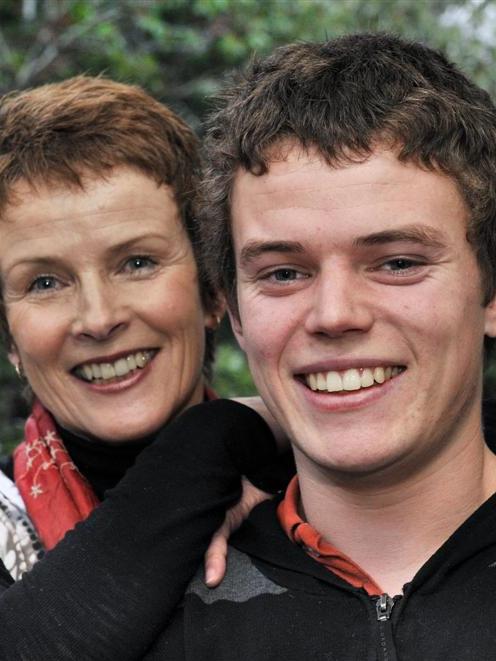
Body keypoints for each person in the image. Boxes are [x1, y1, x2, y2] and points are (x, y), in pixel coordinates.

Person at [137, 33, 496, 658]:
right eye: (283, 273)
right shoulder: (156, 620)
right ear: (235, 314)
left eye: (397, 262)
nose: (334, 315)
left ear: (490, 294)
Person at [0, 75, 283, 659]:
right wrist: (219, 436)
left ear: (212, 291)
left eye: (136, 262)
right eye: (44, 282)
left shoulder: (315, 488)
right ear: (9, 338)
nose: (98, 318)